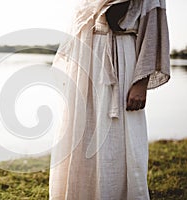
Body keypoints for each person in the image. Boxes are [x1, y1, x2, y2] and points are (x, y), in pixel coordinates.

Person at [50, 0, 170, 199]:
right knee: (82, 133)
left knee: (118, 136)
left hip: (121, 59)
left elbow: (153, 29)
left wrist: (141, 82)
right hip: (88, 58)